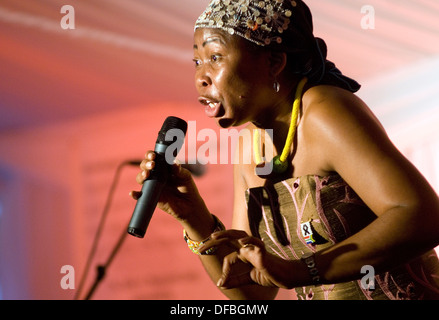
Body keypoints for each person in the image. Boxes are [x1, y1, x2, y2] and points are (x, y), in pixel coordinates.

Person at [131, 0, 439, 300]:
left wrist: (301, 271)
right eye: (197, 62)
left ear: (274, 62)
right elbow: (253, 291)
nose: (201, 77)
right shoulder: (250, 145)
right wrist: (194, 218)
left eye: (216, 57)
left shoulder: (324, 110)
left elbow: (423, 216)